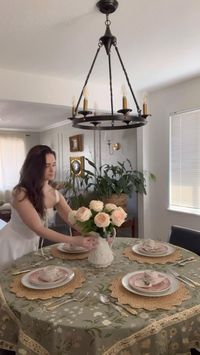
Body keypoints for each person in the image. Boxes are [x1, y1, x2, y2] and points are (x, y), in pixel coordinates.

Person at [0, 145, 97, 269]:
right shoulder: (20, 193)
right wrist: (74, 240)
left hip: (32, 244)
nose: (52, 170)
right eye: (46, 166)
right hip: (10, 245)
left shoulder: (54, 194)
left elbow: (72, 219)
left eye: (54, 164)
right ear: (35, 168)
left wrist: (94, 233)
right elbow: (38, 228)